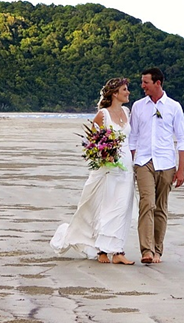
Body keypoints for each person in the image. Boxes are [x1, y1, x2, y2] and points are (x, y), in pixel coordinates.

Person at [50, 78, 139, 265]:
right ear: (115, 93)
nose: (128, 92)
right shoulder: (102, 115)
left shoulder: (126, 112)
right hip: (108, 169)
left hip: (126, 168)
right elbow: (93, 143)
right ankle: (101, 250)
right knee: (106, 208)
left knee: (122, 208)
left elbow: (131, 141)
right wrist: (105, 154)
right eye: (125, 89)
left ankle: (118, 251)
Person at [127, 67, 184, 264]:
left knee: (160, 207)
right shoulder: (138, 106)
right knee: (147, 203)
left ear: (158, 83)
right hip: (143, 161)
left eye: (146, 82)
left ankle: (158, 250)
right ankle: (146, 250)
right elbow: (132, 137)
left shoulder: (174, 107)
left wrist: (181, 170)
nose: (142, 86)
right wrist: (133, 161)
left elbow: (182, 140)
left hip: (167, 163)